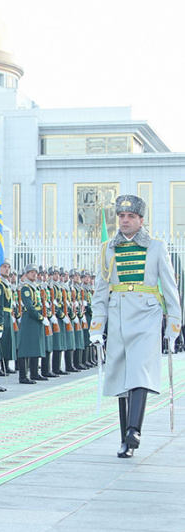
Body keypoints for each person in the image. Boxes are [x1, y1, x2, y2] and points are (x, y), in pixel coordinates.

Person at [90, 194, 181, 458]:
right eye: (121, 216)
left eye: (130, 216)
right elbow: (101, 289)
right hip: (118, 314)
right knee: (120, 375)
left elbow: (170, 288)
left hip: (147, 315)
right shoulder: (108, 248)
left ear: (141, 220)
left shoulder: (156, 246)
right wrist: (97, 326)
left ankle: (134, 430)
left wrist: (173, 326)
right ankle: (124, 439)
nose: (125, 220)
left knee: (139, 369)